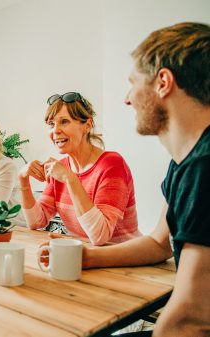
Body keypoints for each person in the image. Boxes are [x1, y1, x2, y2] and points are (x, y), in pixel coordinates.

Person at [46, 22, 210, 336]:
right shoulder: (183, 164)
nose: (126, 98)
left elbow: (192, 320)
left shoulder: (204, 166)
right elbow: (159, 244)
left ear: (163, 82)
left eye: (133, 83)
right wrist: (87, 257)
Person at [19, 92, 141, 245]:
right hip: (86, 257)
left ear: (87, 125)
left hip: (127, 260)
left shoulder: (112, 165)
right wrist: (23, 180)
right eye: (51, 124)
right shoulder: (61, 168)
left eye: (64, 121)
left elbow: (99, 236)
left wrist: (71, 179)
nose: (55, 130)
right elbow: (37, 221)